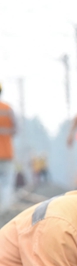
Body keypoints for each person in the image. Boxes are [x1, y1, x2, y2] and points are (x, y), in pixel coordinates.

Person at [0, 82, 16, 212]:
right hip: (6, 152)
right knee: (6, 182)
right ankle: (4, 209)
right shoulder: (7, 108)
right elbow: (17, 129)